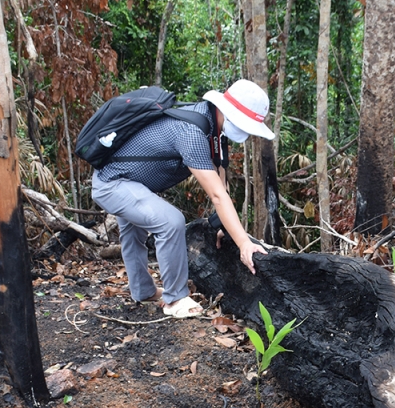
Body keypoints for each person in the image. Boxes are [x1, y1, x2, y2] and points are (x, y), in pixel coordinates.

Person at [91, 79, 273, 318]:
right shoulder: (192, 131)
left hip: (130, 183)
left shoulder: (213, 128)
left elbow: (221, 180)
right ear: (230, 113)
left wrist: (223, 226)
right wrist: (244, 243)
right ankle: (175, 299)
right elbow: (217, 195)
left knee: (133, 231)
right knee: (170, 221)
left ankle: (143, 292)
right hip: (112, 183)